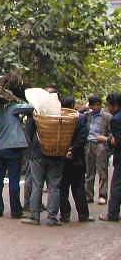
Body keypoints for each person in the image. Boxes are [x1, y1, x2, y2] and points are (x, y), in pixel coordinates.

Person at [0, 71, 34, 218]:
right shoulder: (13, 108)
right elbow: (31, 107)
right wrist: (18, 98)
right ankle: (16, 211)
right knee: (14, 180)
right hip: (13, 148)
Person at [21, 89, 64, 227]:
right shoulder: (62, 114)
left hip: (37, 154)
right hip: (57, 154)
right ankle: (52, 218)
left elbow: (27, 134)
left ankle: (35, 216)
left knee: (37, 185)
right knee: (54, 186)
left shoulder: (36, 114)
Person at [59, 95, 92, 223]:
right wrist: (73, 150)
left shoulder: (58, 118)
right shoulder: (80, 118)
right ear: (73, 105)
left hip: (61, 157)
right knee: (78, 186)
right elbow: (83, 137)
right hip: (76, 158)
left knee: (63, 188)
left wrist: (64, 151)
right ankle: (83, 215)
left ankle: (65, 215)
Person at [84, 95, 111, 205]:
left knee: (102, 171)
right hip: (89, 144)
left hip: (101, 144)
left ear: (100, 105)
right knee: (89, 172)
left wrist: (106, 140)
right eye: (92, 105)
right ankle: (88, 195)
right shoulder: (87, 116)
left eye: (97, 105)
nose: (95, 107)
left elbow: (111, 133)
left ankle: (102, 195)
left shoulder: (107, 117)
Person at [100, 92, 121, 222]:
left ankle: (112, 214)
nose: (108, 108)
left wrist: (106, 139)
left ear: (115, 105)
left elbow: (118, 141)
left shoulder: (116, 119)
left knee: (116, 186)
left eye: (108, 105)